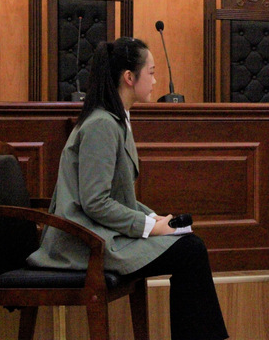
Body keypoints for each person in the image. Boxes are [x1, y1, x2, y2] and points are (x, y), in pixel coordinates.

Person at [27, 37, 229, 340]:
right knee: (191, 250)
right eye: (151, 72)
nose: (155, 81)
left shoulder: (114, 120)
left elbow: (118, 197)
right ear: (129, 77)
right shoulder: (101, 125)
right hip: (84, 243)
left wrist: (155, 218)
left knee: (189, 244)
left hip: (100, 234)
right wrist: (148, 227)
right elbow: (95, 202)